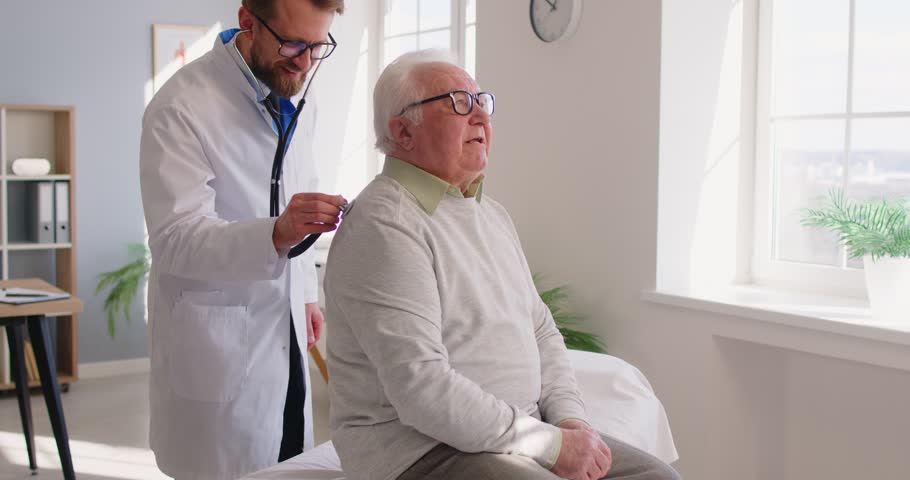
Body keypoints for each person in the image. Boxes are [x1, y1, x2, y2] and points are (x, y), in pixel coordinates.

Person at [324, 50, 682, 480]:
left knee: (659, 477)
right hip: (422, 452)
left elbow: (541, 329)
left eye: (482, 101)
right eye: (458, 102)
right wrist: (550, 446)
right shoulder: (384, 224)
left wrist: (569, 422)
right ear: (403, 131)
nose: (481, 116)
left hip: (517, 436)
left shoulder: (491, 214)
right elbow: (421, 388)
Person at [139, 0, 346, 478]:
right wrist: (275, 234)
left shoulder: (299, 91)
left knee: (287, 460)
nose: (305, 62)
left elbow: (298, 188)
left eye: (317, 46)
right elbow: (174, 237)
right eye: (292, 43)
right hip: (215, 346)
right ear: (247, 21)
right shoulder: (180, 106)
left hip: (285, 330)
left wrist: (305, 293)